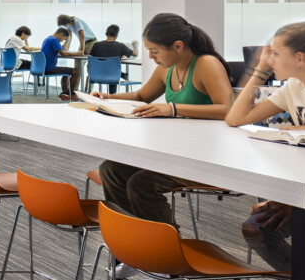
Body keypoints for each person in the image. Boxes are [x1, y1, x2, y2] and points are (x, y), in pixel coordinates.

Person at [89, 12, 232, 225]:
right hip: (176, 150)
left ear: (178, 46)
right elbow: (141, 96)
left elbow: (228, 110)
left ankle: (164, 249)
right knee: (111, 170)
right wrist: (107, 97)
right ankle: (129, 239)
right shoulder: (167, 68)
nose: (150, 57)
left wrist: (173, 109)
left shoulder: (206, 64)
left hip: (205, 156)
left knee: (141, 184)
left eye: (154, 51)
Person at [224, 21, 305, 271]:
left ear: (300, 58)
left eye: (275, 54)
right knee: (258, 228)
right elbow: (236, 118)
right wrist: (260, 69)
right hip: (300, 184)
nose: (269, 58)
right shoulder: (294, 87)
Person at [57, 13, 96, 89]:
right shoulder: (68, 24)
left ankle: (88, 91)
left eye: (64, 25)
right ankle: (74, 91)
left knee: (90, 68)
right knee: (77, 68)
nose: (64, 26)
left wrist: (82, 50)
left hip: (91, 42)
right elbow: (69, 35)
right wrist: (65, 46)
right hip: (84, 42)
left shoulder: (77, 22)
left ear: (66, 22)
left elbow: (82, 37)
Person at [39, 27, 78, 100]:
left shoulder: (48, 39)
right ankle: (71, 93)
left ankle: (65, 92)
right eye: (63, 39)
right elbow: (63, 53)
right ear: (60, 34)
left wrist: (68, 39)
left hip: (43, 68)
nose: (62, 41)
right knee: (75, 71)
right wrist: (79, 53)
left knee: (66, 71)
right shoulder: (54, 40)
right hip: (49, 69)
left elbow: (63, 49)